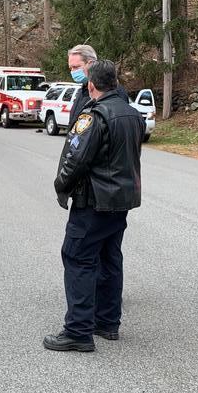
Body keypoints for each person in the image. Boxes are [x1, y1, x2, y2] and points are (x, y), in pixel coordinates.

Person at [43, 59, 144, 353]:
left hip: (94, 201)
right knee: (110, 257)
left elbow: (75, 159)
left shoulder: (94, 116)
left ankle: (78, 331)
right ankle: (107, 322)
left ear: (91, 85)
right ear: (115, 82)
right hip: (121, 201)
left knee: (77, 257)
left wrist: (61, 185)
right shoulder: (132, 114)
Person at [66, 43, 130, 131]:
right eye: (70, 68)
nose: (73, 72)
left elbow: (117, 129)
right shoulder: (83, 90)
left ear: (91, 64)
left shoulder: (113, 91)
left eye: (76, 67)